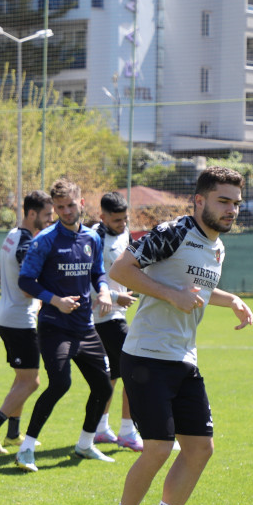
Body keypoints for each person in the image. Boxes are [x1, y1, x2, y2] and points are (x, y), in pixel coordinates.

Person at [107, 167, 253, 505]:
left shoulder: (217, 247)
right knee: (156, 447)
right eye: (223, 201)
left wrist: (232, 300)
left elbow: (198, 290)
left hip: (184, 359)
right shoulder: (174, 231)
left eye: (236, 204)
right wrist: (170, 294)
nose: (231, 210)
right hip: (147, 355)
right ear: (200, 201)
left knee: (200, 449)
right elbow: (122, 269)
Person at [13, 178, 116, 472]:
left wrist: (106, 290)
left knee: (103, 388)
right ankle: (26, 449)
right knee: (60, 384)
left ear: (81, 203)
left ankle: (85, 444)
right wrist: (55, 300)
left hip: (85, 326)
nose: (66, 211)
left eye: (71, 205)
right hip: (54, 325)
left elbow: (98, 273)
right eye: (60, 207)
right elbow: (25, 280)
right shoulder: (44, 239)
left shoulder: (93, 239)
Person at [0, 189, 53, 455]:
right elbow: (28, 287)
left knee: (23, 379)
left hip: (8, 315)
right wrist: (53, 295)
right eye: (47, 215)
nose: (50, 220)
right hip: (20, 320)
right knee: (32, 382)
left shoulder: (12, 236)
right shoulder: (27, 244)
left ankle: (12, 433)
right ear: (32, 214)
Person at [93, 192, 143, 451]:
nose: (122, 224)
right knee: (136, 368)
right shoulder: (93, 238)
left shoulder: (125, 234)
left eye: (125, 219)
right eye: (116, 220)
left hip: (117, 314)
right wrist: (114, 296)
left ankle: (101, 429)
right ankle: (128, 431)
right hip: (102, 317)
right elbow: (85, 281)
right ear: (102, 217)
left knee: (112, 374)